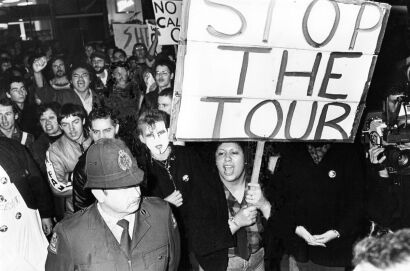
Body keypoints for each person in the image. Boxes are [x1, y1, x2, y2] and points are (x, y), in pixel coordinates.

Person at [45, 138, 181, 271]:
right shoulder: (70, 235)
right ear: (99, 194)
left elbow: (172, 264)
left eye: (136, 184)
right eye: (125, 188)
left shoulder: (161, 214)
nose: (136, 193)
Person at [267, 143, 365, 270]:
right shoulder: (291, 151)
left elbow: (358, 201)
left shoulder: (348, 151)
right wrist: (295, 228)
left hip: (335, 254)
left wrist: (338, 231)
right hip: (298, 250)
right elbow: (278, 199)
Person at [185, 142, 271, 271]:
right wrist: (236, 223)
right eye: (221, 153)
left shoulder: (259, 184)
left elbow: (282, 228)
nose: (227, 157)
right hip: (220, 265)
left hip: (257, 260)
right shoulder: (202, 191)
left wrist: (264, 204)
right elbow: (200, 242)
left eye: (234, 152)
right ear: (215, 160)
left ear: (246, 158)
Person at [0, 137, 54, 271]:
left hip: (25, 219)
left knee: (38, 260)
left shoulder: (10, 146)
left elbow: (36, 180)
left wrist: (45, 214)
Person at [46, 103, 92, 218]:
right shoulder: (55, 150)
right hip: (76, 213)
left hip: (105, 207)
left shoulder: (97, 138)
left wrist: (71, 176)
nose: (71, 129)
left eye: (75, 122)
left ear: (83, 121)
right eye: (65, 124)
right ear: (60, 126)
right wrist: (94, 183)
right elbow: (58, 187)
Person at [72, 106, 120, 211]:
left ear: (116, 129)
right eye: (96, 131)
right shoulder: (83, 169)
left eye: (107, 130)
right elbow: (81, 212)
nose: (102, 137)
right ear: (90, 131)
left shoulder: (131, 154)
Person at [33, 58, 103, 114]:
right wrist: (37, 72)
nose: (80, 79)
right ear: (71, 81)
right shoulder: (63, 96)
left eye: (84, 75)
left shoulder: (100, 97)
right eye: (76, 76)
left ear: (90, 79)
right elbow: (45, 95)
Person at [31, 102, 63, 177]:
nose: (47, 123)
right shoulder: (37, 147)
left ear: (60, 118)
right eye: (43, 119)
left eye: (51, 118)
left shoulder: (72, 137)